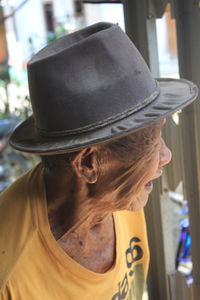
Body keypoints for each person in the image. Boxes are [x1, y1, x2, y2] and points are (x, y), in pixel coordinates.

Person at [0, 22, 198, 300]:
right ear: (89, 164)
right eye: (152, 142)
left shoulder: (119, 193)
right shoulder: (11, 276)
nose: (166, 156)